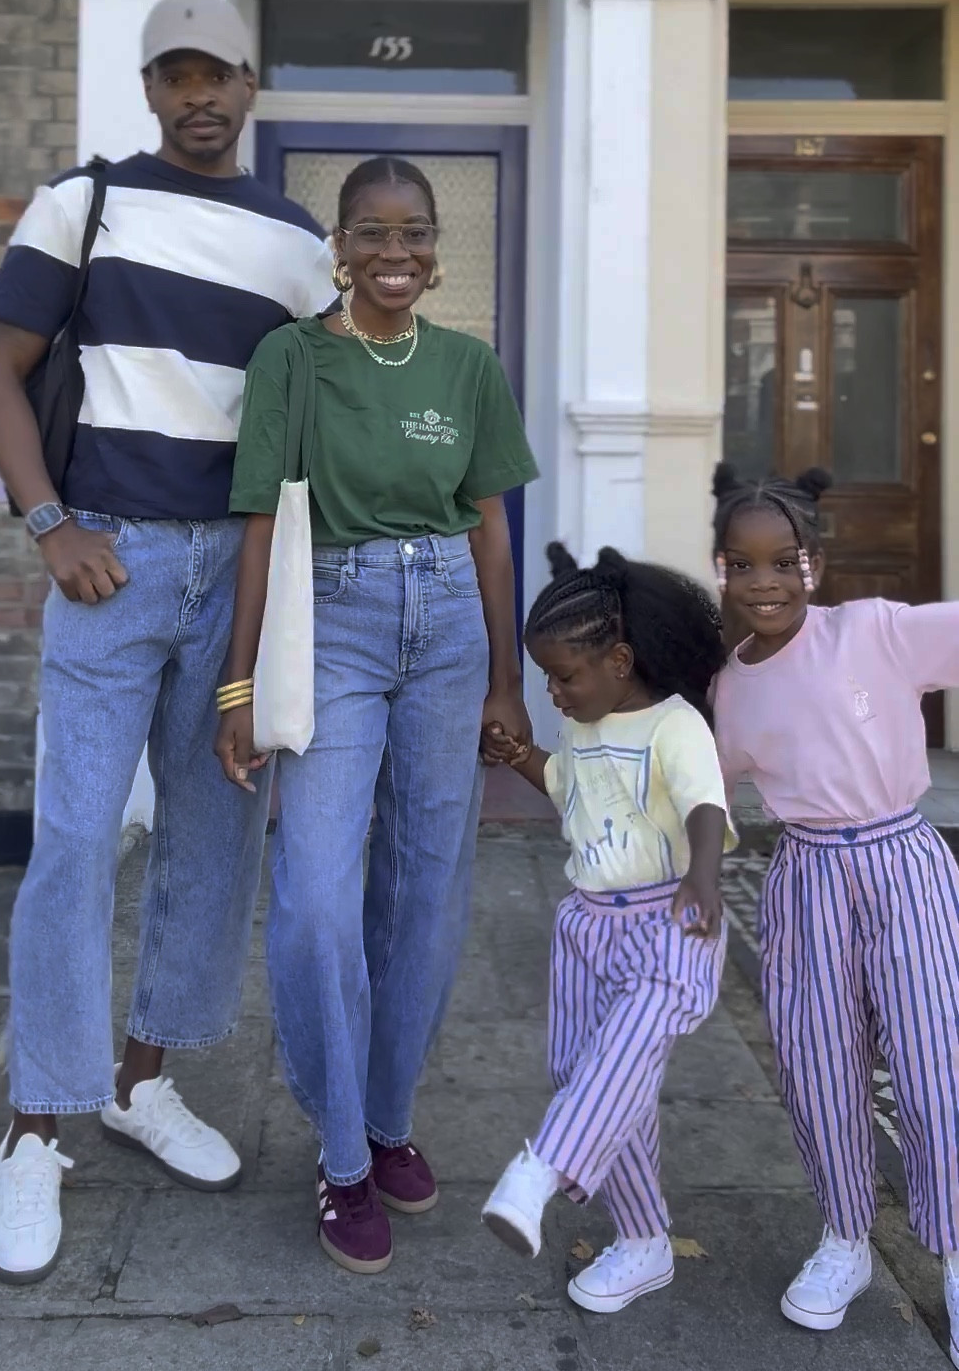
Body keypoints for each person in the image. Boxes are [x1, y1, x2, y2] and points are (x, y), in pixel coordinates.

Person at [0, 0, 334, 1285]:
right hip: (108, 568)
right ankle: (33, 1130)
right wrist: (51, 522)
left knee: (214, 830)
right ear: (150, 87)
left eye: (219, 72)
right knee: (72, 839)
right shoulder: (87, 202)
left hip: (231, 570)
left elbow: (310, 431)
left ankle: (139, 1081)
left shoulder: (297, 246)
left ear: (250, 84)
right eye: (174, 74)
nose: (199, 95)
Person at [218, 155, 537, 1275]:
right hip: (335, 622)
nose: (392, 253)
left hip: (449, 619)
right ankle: (338, 1145)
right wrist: (237, 681)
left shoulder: (466, 366)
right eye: (369, 233)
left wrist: (507, 677)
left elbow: (491, 524)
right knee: (313, 896)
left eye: (412, 234)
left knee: (426, 891)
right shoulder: (292, 358)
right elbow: (259, 517)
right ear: (340, 247)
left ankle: (385, 1119)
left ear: (434, 246)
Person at [710, 462, 959, 1353]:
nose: (765, 582)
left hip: (902, 860)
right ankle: (845, 1236)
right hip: (805, 876)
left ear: (815, 563)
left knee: (934, 1058)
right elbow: (704, 789)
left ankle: (956, 1246)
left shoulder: (878, 632)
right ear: (722, 570)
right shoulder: (731, 688)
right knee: (818, 1063)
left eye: (785, 562)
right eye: (743, 565)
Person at [479, 544, 734, 1314]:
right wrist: (523, 757)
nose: (552, 690)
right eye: (546, 676)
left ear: (621, 659)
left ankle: (539, 1171)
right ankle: (644, 1239)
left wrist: (703, 875)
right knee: (591, 1078)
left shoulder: (675, 726)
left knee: (616, 1061)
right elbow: (570, 791)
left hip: (672, 920)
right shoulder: (588, 725)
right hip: (586, 928)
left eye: (565, 676)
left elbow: (706, 806)